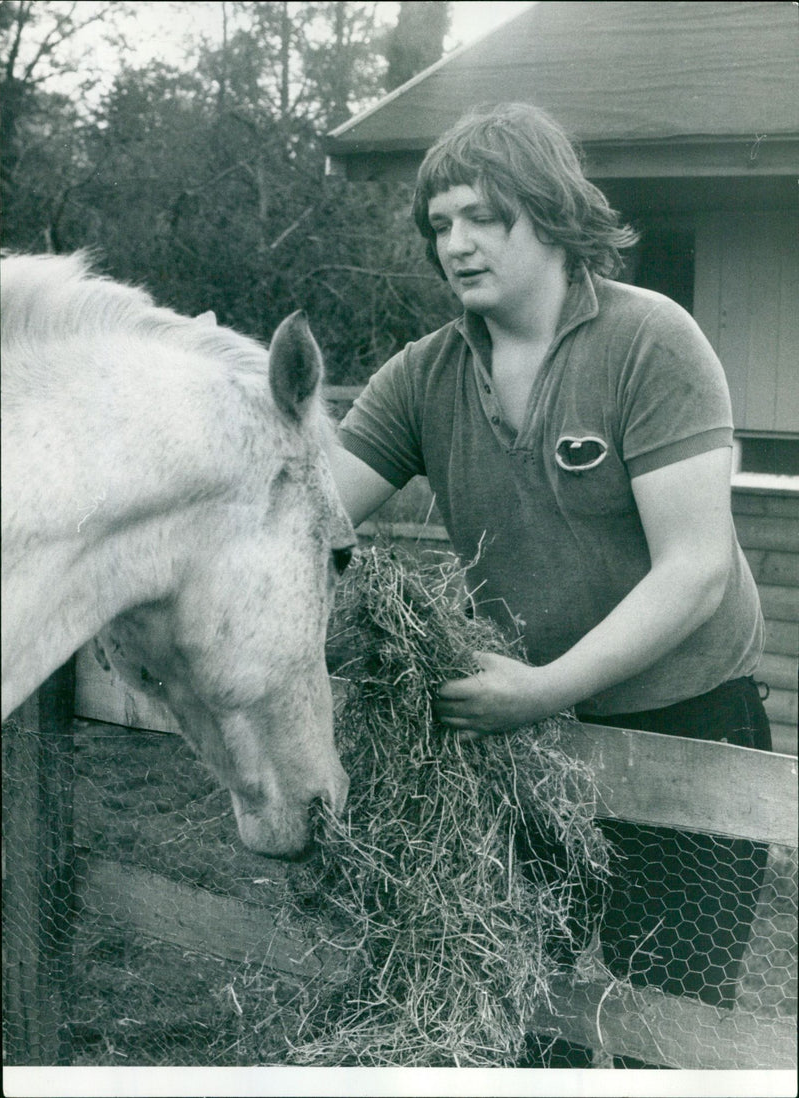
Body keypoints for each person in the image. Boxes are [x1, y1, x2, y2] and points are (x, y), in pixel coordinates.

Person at [329, 102, 771, 1066]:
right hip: (535, 746)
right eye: (440, 224)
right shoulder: (423, 376)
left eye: (485, 216)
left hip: (685, 720)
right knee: (539, 1011)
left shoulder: (653, 342)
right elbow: (315, 511)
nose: (457, 244)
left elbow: (694, 572)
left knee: (671, 1027)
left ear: (552, 213)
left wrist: (538, 689)